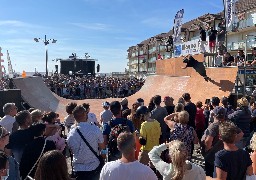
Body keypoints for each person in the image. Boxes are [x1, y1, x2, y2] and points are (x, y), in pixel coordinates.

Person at [201, 106, 243, 177]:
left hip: (212, 157)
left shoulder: (213, 126)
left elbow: (208, 140)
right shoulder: (228, 124)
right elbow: (241, 134)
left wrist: (207, 149)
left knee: (211, 175)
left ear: (214, 115)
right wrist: (231, 141)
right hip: (225, 154)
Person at [67, 105, 105, 180]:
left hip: (78, 169)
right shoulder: (95, 129)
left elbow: (71, 150)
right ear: (85, 115)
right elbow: (102, 147)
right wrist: (103, 157)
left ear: (74, 117)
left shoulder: (70, 134)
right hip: (94, 167)